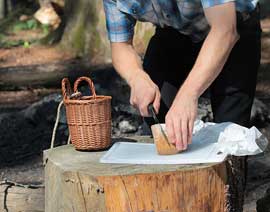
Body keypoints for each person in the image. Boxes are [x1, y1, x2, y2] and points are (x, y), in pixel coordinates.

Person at [103, 0, 261, 151]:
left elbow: (225, 30)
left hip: (232, 28)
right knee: (157, 130)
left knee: (232, 139)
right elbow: (120, 46)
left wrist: (188, 95)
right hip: (174, 32)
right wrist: (136, 77)